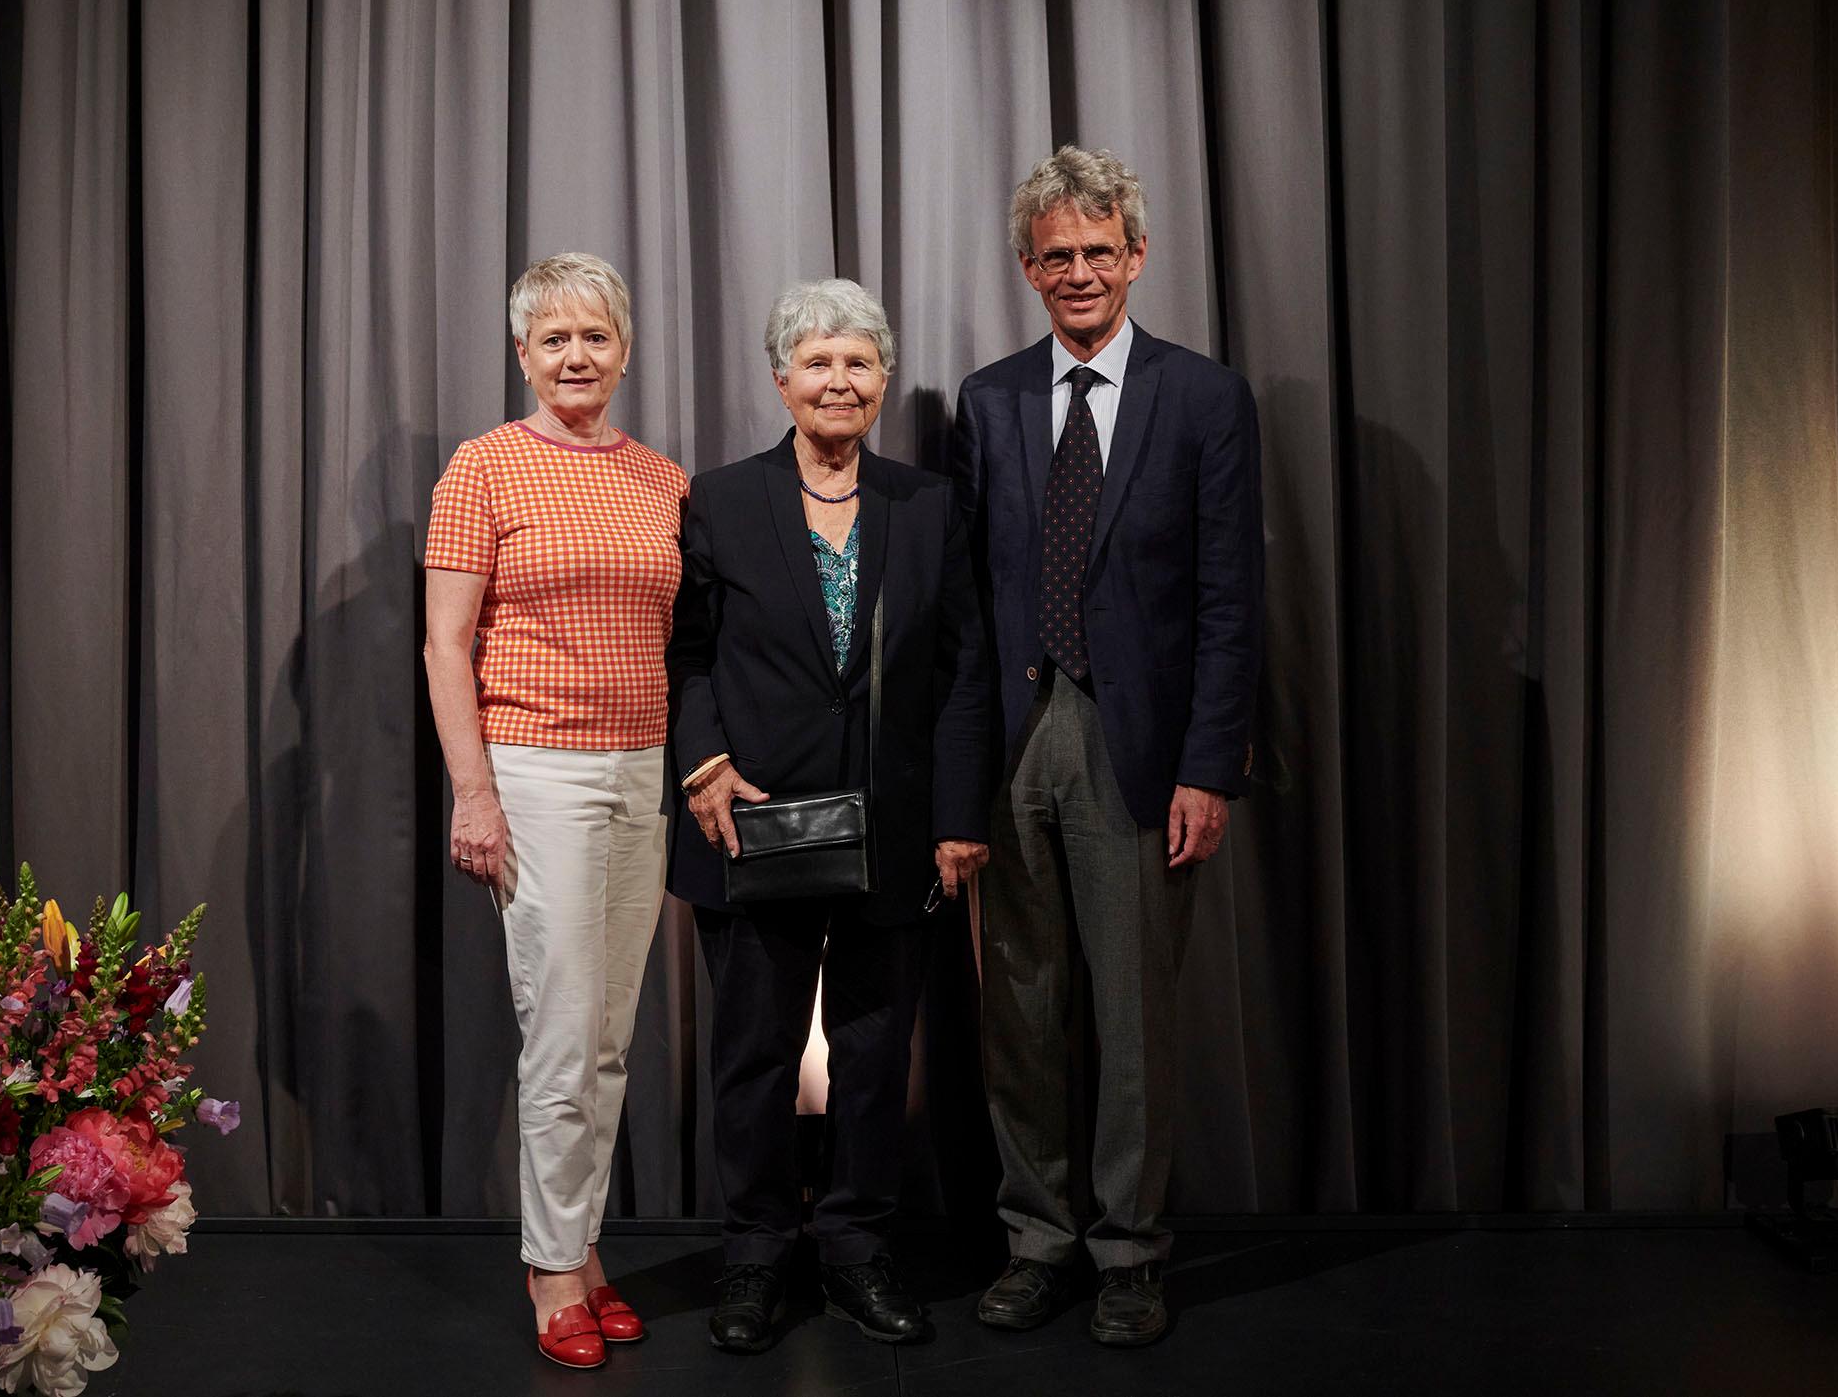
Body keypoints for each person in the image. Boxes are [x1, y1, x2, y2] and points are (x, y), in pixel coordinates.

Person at [952, 146, 1264, 1346]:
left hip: (1137, 748)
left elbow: (1230, 599)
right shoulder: (986, 401)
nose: (1077, 271)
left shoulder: (1202, 398)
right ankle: (1035, 1238)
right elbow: (966, 604)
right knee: (1017, 1013)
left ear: (1135, 256)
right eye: (1054, 255)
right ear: (1026, 269)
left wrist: (1207, 765)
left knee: (1131, 1015)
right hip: (1012, 742)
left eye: (1098, 250)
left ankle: (1128, 1250)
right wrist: (956, 778)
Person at [668, 278, 992, 1353]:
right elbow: (687, 653)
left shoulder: (928, 502)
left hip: (895, 832)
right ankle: (755, 1254)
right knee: (753, 1055)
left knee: (869, 1051)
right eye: (817, 362)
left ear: (882, 381)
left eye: (857, 362)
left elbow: (961, 669)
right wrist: (704, 763)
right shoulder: (716, 498)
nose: (838, 381)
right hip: (749, 825)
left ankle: (855, 1248)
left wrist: (954, 816)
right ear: (780, 380)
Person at [423, 252, 688, 1370]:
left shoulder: (661, 478)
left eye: (595, 336)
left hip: (643, 770)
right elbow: (444, 643)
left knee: (610, 1037)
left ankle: (582, 1254)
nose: (576, 356)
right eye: (553, 339)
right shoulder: (481, 468)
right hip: (535, 771)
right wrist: (473, 790)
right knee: (564, 1034)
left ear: (624, 349)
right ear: (522, 353)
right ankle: (548, 1272)